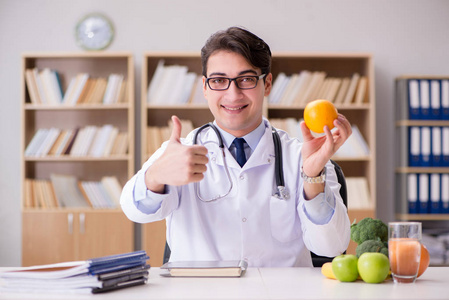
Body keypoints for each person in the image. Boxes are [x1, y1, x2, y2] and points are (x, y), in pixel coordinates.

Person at [121, 26, 352, 267]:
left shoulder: (300, 157)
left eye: (246, 79)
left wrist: (312, 177)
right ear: (204, 87)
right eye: (219, 80)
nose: (233, 94)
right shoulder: (181, 152)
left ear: (267, 84)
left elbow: (331, 247)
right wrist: (156, 175)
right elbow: (135, 211)